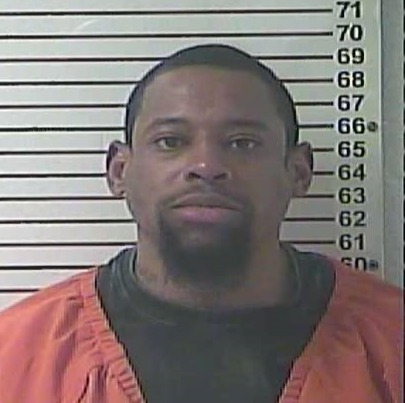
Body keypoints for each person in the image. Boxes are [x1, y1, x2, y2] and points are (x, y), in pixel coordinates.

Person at [0, 44, 402, 403]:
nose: (206, 166)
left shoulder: (392, 339)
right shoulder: (15, 354)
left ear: (298, 172)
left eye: (242, 143)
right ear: (119, 171)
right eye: (171, 141)